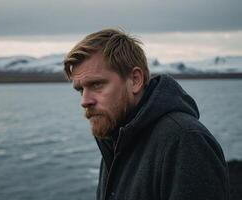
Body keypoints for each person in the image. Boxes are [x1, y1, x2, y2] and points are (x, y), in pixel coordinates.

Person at [63, 29, 230, 200]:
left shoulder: (185, 140)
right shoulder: (114, 139)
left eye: (97, 84)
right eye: (80, 90)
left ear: (135, 80)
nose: (84, 101)